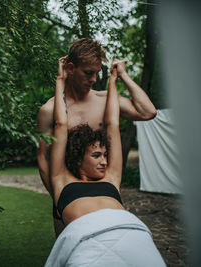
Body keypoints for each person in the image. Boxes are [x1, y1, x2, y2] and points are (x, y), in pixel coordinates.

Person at [44, 57, 165, 266]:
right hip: (87, 238)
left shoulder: (111, 178)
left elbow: (112, 125)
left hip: (129, 231)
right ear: (78, 158)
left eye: (105, 155)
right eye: (97, 155)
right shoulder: (60, 180)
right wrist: (60, 80)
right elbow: (60, 125)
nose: (104, 161)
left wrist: (114, 79)